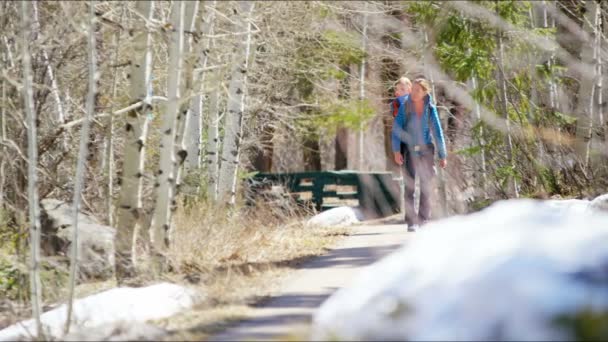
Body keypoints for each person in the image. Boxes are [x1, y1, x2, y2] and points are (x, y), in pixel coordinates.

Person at [391, 78, 447, 232]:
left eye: (417, 90)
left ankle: (423, 219)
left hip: (427, 151)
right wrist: (396, 151)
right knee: (410, 188)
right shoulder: (405, 107)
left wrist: (443, 155)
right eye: (413, 90)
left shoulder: (430, 108)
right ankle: (411, 222)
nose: (414, 93)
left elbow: (437, 132)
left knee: (425, 187)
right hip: (409, 150)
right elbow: (396, 129)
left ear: (424, 92)